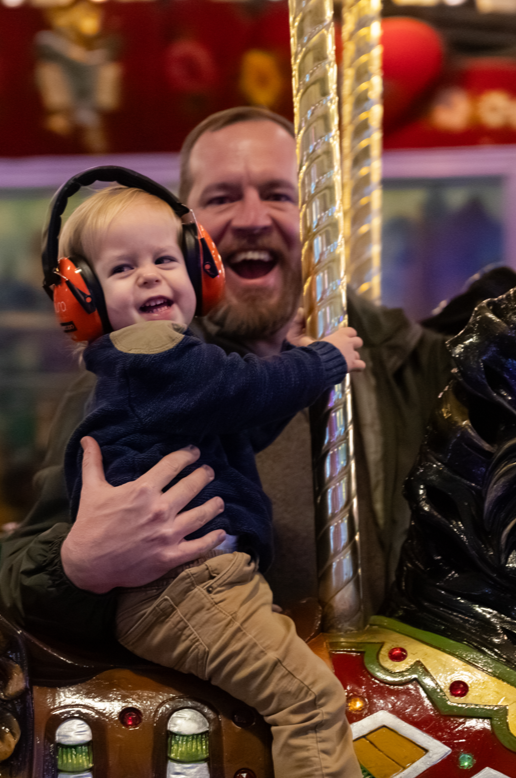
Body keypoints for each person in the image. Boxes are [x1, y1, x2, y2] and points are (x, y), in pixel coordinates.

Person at [0, 108, 516, 653]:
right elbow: (16, 573)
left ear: (314, 219)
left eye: (277, 193)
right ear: (192, 239)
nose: (250, 216)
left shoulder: (408, 365)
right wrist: (81, 565)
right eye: (220, 197)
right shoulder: (132, 381)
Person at [57, 181, 364, 777]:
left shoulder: (161, 371)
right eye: (123, 268)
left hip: (200, 586)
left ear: (200, 271)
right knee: (311, 703)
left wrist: (300, 378)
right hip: (189, 588)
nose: (149, 276)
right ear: (84, 297)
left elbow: (243, 427)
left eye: (164, 260)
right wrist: (324, 360)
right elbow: (247, 388)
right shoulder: (153, 351)